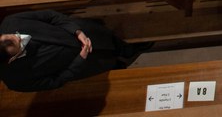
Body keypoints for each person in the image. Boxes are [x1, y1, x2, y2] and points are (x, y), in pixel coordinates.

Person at [0, 10, 152, 92]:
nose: (20, 36)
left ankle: (128, 49)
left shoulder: (11, 22)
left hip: (82, 33)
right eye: (18, 42)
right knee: (109, 65)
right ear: (11, 59)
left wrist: (77, 32)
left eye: (15, 35)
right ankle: (118, 65)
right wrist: (80, 59)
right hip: (82, 64)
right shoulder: (16, 80)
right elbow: (55, 82)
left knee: (111, 41)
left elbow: (50, 16)